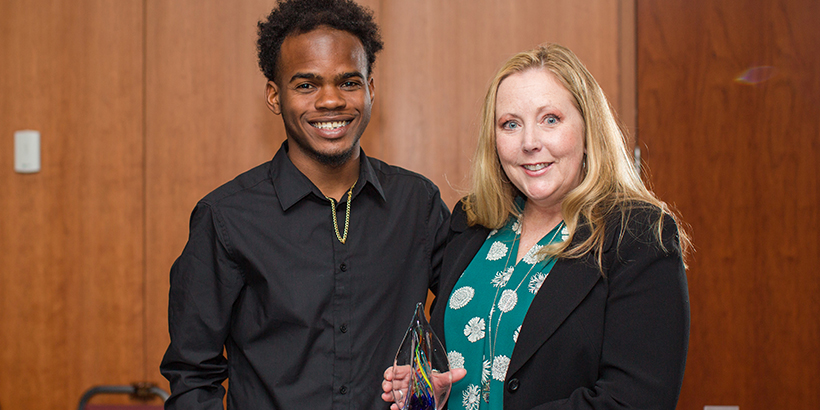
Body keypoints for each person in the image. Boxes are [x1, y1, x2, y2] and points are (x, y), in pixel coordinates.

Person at [159, 0, 450, 408]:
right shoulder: (226, 218)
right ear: (275, 96)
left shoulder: (417, 204)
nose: (330, 101)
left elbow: (472, 307)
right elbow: (192, 374)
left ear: (371, 89)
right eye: (306, 85)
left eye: (349, 82)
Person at [383, 43, 691, 410]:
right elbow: (465, 358)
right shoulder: (474, 220)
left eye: (550, 119)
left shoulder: (638, 234)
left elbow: (637, 400)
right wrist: (432, 389)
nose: (529, 143)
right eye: (510, 124)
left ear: (587, 129)